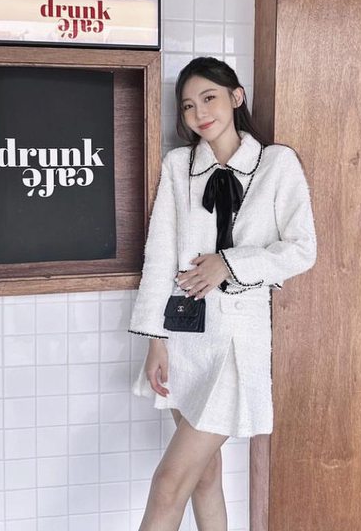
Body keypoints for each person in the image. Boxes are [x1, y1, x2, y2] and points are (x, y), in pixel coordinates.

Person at [128, 56, 317, 531]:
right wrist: (155, 340)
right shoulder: (179, 165)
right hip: (184, 336)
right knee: (204, 478)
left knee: (169, 482)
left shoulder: (277, 164)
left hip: (235, 341)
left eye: (209, 98)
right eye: (188, 105)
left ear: (236, 97)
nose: (199, 113)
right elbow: (159, 254)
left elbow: (302, 250)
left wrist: (229, 263)